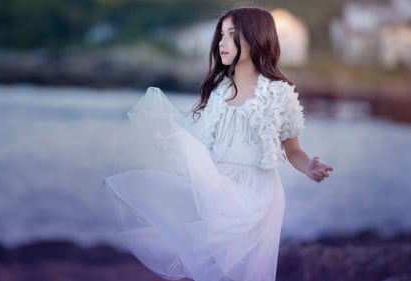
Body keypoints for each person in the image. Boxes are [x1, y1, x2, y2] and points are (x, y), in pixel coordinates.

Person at [104, 7, 333, 281]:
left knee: (250, 272)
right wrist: (172, 142)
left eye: (232, 35)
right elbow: (202, 143)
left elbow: (292, 150)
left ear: (256, 38)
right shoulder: (218, 92)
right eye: (221, 35)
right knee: (213, 271)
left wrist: (308, 166)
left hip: (258, 194)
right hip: (214, 188)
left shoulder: (278, 93)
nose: (222, 43)